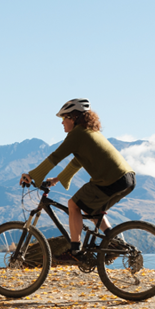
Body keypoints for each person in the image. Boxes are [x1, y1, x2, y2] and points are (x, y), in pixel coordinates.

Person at [20, 98, 135, 260]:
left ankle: (75, 251)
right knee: (90, 209)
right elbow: (76, 162)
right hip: (126, 179)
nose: (62, 123)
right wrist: (56, 179)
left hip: (111, 179)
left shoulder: (78, 134)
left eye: (64, 118)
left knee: (73, 204)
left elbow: (55, 157)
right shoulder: (89, 132)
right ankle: (113, 242)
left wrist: (32, 175)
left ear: (73, 117)